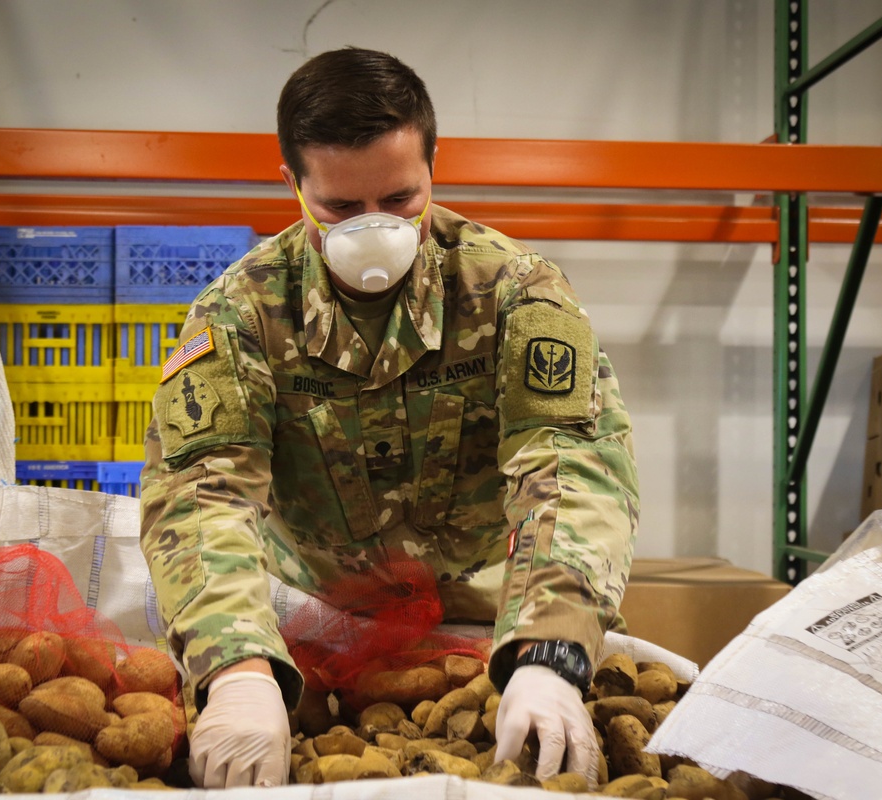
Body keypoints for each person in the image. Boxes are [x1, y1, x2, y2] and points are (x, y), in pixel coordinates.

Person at [140, 46, 639, 789]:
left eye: (401, 199)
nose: (373, 228)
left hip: (492, 611)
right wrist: (237, 668)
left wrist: (551, 653)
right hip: (308, 618)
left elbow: (572, 465)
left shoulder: (513, 290)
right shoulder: (240, 311)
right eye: (340, 207)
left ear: (433, 170)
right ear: (294, 185)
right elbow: (202, 496)